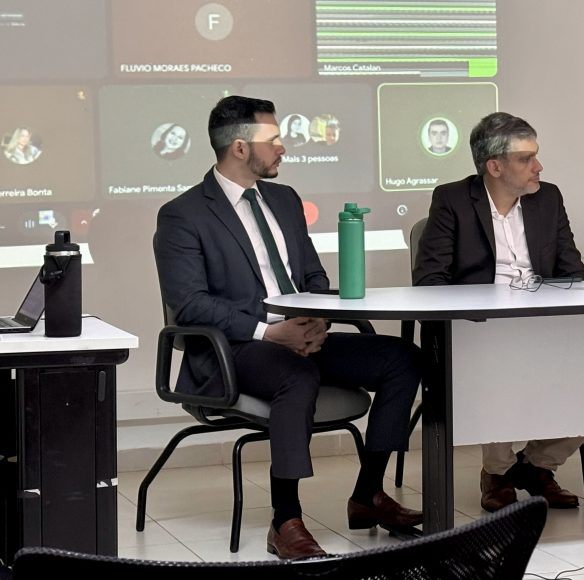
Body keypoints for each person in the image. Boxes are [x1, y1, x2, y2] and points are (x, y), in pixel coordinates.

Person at [153, 96, 423, 560]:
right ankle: (285, 519)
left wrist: (318, 319)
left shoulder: (284, 199)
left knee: (402, 358)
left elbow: (312, 277)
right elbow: (191, 304)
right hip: (236, 348)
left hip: (299, 338)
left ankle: (368, 493)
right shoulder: (184, 215)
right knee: (296, 376)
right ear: (240, 148)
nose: (283, 149)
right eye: (273, 140)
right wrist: (268, 332)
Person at [413, 112, 584, 512]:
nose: (538, 167)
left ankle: (535, 466)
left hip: (541, 324)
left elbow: (572, 272)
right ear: (494, 166)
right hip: (481, 329)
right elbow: (429, 281)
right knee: (493, 366)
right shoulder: (453, 199)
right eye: (527, 158)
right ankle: (497, 471)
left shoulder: (548, 198)